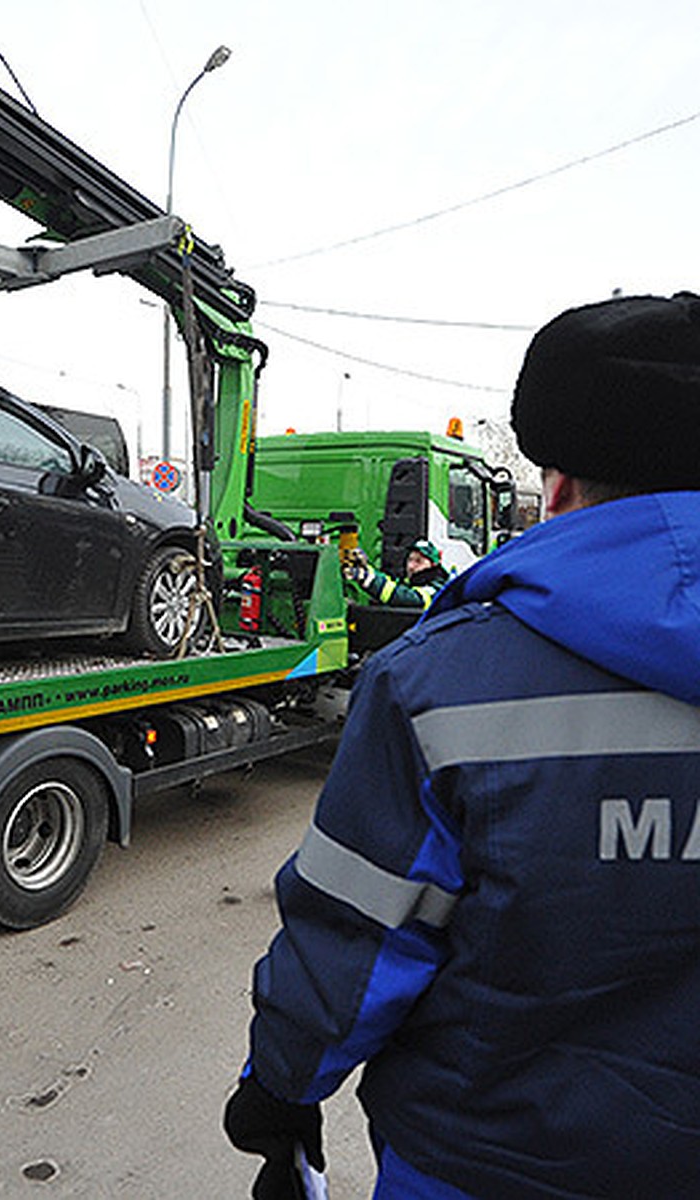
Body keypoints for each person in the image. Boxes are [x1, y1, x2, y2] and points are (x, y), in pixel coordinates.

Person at [223, 291, 700, 1198]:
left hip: (481, 1169)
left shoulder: (439, 683)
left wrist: (279, 1090)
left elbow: (353, 940)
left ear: (556, 487)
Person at [342, 538, 449, 609]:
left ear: (433, 565)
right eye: (410, 560)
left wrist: (368, 579)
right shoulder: (410, 581)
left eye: (418, 561)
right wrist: (366, 568)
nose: (411, 566)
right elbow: (391, 584)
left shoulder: (438, 587)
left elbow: (411, 599)